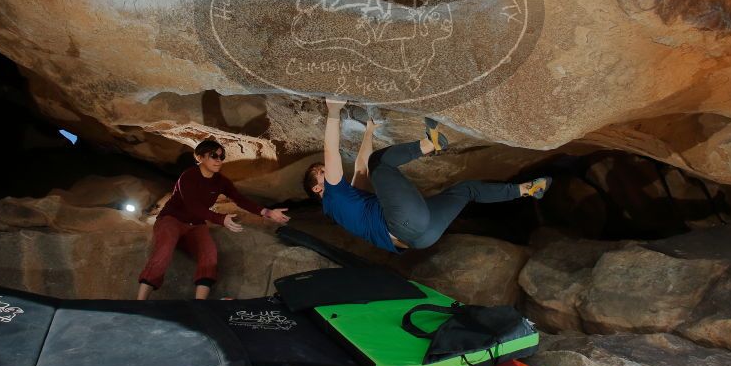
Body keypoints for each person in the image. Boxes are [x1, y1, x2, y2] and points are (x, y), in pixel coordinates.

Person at [302, 99, 551, 252]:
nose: (329, 170)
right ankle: (429, 144)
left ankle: (527, 189)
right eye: (322, 172)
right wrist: (333, 111)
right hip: (404, 223)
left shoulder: (347, 202)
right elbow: (331, 151)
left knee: (467, 190)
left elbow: (361, 168)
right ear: (317, 188)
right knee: (380, 162)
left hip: (422, 238)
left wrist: (370, 130)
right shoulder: (333, 197)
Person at [137, 139, 290, 299]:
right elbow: (192, 205)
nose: (219, 160)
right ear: (200, 157)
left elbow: (240, 199)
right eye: (213, 156)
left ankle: (200, 304)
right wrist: (220, 219)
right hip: (172, 219)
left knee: (209, 254)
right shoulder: (188, 176)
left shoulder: (221, 181)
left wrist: (267, 212)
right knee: (164, 250)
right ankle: (140, 302)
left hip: (196, 224)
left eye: (221, 157)